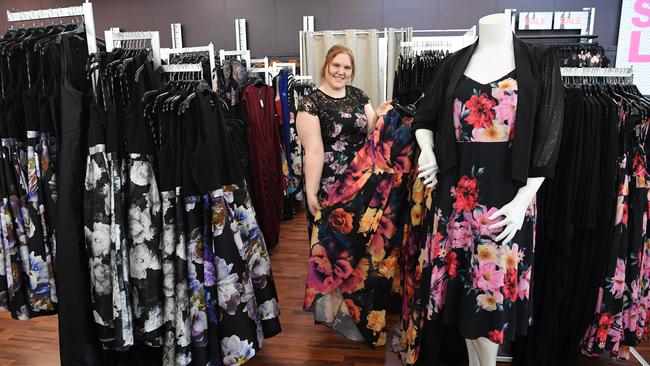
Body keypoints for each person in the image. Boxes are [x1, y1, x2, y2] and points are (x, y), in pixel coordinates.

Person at [296, 44, 411, 346]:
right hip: (331, 188)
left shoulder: (359, 96)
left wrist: (390, 115)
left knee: (360, 251)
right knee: (334, 252)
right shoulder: (310, 103)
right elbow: (314, 150)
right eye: (337, 66)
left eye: (347, 68)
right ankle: (338, 313)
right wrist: (310, 191)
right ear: (326, 65)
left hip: (362, 187)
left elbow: (375, 133)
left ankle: (358, 314)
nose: (341, 72)